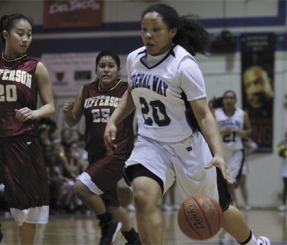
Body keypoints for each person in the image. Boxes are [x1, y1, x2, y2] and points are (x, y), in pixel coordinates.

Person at [103, 3, 270, 245]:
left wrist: (219, 154)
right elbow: (132, 93)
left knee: (218, 209)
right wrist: (114, 119)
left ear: (172, 32)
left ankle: (253, 243)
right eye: (144, 29)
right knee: (141, 197)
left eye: (156, 29)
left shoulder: (184, 64)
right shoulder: (134, 59)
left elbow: (203, 115)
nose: (148, 35)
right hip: (151, 144)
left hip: (187, 147)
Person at [0, 14, 55, 245]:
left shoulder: (36, 67)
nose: (26, 39)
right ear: (6, 34)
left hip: (23, 144)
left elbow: (50, 106)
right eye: (20, 33)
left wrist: (34, 113)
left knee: (26, 210)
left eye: (29, 34)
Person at [62, 50, 140, 245]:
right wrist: (67, 114)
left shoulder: (127, 89)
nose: (106, 70)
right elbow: (72, 122)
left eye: (111, 66)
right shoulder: (85, 90)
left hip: (118, 151)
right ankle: (133, 239)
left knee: (81, 188)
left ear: (118, 69)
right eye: (102, 66)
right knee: (111, 205)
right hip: (95, 153)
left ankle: (108, 225)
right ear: (96, 69)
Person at [214, 90, 252, 208]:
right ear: (223, 100)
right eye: (226, 98)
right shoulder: (216, 113)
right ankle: (230, 204)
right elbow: (209, 130)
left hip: (236, 152)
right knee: (222, 180)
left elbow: (249, 129)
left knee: (231, 180)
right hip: (221, 151)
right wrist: (220, 131)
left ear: (235, 100)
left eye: (231, 98)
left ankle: (232, 204)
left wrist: (243, 132)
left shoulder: (242, 114)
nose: (229, 100)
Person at [276, 133, 287, 212]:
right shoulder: (283, 144)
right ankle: (283, 204)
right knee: (285, 186)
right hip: (285, 167)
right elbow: (280, 154)